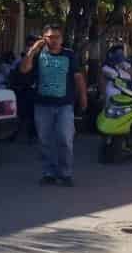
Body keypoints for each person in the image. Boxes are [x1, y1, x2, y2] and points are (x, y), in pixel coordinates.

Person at [18, 24, 88, 187]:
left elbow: (78, 77)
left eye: (57, 37)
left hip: (64, 105)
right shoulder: (37, 55)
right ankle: (49, 172)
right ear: (44, 38)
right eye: (50, 37)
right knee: (45, 140)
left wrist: (83, 97)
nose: (54, 40)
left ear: (62, 39)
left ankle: (65, 173)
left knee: (65, 139)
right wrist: (32, 50)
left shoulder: (69, 55)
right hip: (42, 105)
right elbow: (24, 69)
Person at [13, 34, 39, 145]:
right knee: (20, 113)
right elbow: (15, 72)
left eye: (32, 45)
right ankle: (14, 133)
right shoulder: (21, 59)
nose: (30, 47)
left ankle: (32, 135)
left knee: (33, 114)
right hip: (21, 90)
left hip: (33, 90)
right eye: (28, 45)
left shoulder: (39, 59)